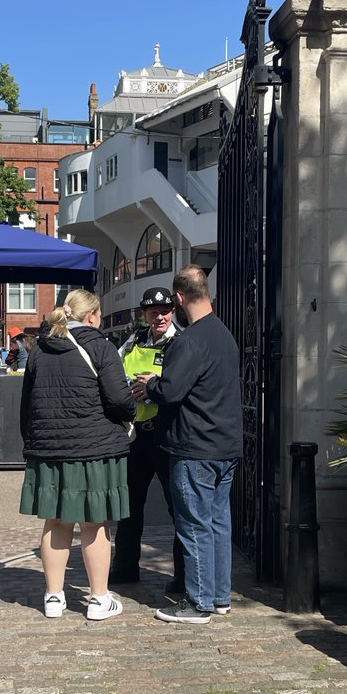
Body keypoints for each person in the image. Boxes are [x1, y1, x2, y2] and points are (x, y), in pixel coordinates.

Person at [18, 289, 135, 621]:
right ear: (93, 316)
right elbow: (118, 400)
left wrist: (34, 442)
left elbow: (27, 405)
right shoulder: (101, 347)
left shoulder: (39, 349)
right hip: (93, 447)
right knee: (94, 523)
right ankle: (99, 599)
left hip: (49, 449)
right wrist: (134, 409)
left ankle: (53, 597)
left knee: (55, 521)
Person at [134, 265, 242, 624]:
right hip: (225, 444)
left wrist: (150, 384)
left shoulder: (189, 339)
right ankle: (219, 596)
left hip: (194, 445)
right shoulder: (224, 334)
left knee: (194, 526)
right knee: (218, 524)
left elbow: (171, 390)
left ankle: (198, 602)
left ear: (179, 298)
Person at [108, 287, 185, 591]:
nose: (160, 316)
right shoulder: (133, 341)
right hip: (135, 434)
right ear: (144, 314)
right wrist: (127, 387)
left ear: (172, 311)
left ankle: (182, 576)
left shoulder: (181, 343)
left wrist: (153, 387)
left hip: (167, 432)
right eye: (153, 312)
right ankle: (125, 567)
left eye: (165, 310)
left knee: (177, 508)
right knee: (129, 506)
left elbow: (182, 383)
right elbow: (114, 371)